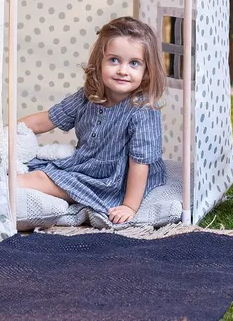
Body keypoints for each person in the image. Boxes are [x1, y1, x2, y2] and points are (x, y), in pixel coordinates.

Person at [18, 16, 167, 224]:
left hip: (116, 180)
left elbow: (140, 163)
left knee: (38, 179)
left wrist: (129, 205)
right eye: (114, 60)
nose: (122, 70)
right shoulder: (88, 95)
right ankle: (10, 186)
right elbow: (47, 119)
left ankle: (3, 189)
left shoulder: (143, 110)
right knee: (35, 168)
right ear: (100, 62)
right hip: (86, 165)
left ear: (147, 70)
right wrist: (10, 132)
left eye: (134, 63)